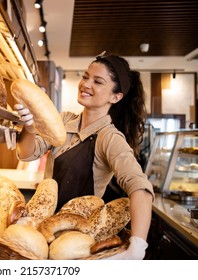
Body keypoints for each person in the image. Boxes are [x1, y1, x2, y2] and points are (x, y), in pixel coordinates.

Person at [14, 53, 154, 260]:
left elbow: (140, 187)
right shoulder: (63, 120)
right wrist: (29, 126)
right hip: (43, 227)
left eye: (97, 81)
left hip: (74, 241)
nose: (86, 84)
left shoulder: (110, 138)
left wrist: (138, 246)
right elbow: (27, 154)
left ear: (115, 97)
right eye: (85, 76)